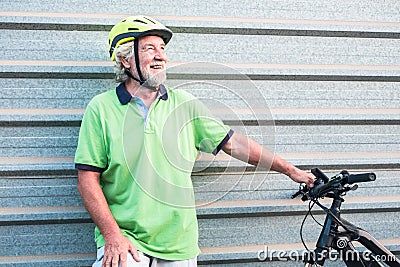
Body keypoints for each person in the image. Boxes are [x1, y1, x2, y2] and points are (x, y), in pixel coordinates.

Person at [75, 15, 315, 267]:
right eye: (149, 48)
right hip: (126, 242)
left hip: (179, 242)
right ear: (125, 59)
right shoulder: (101, 109)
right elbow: (87, 180)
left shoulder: (185, 105)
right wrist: (113, 236)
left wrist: (290, 170)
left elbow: (235, 144)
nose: (160, 56)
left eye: (162, 49)